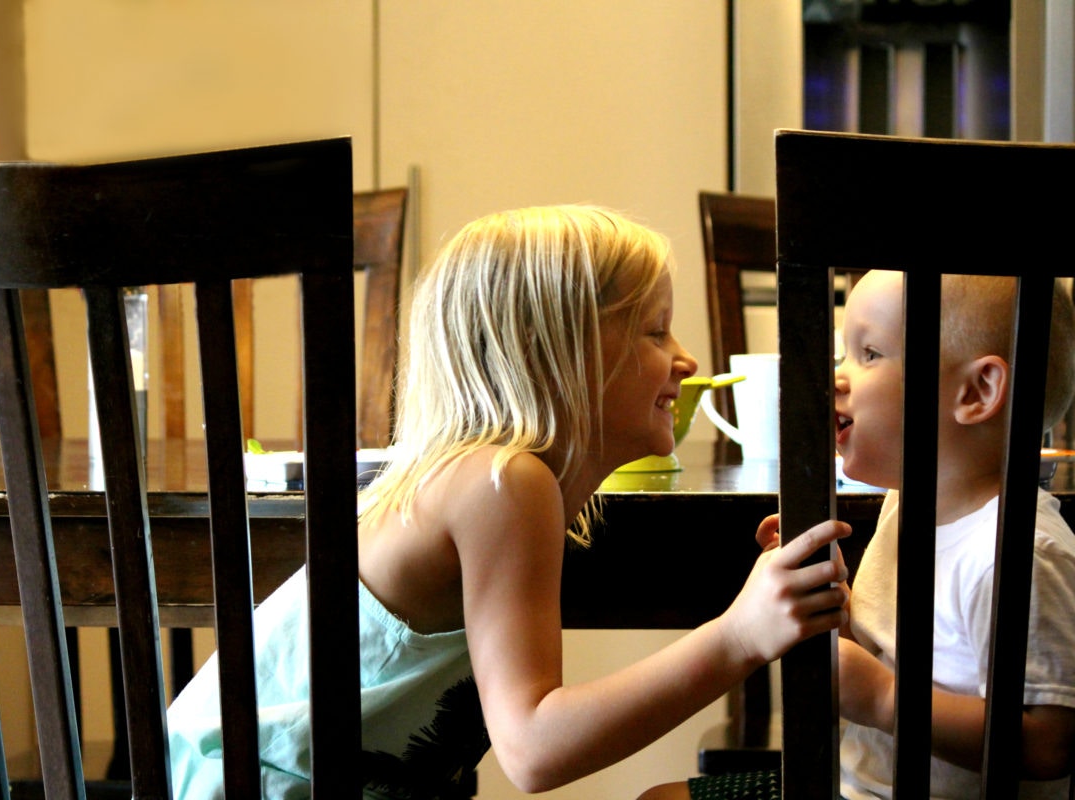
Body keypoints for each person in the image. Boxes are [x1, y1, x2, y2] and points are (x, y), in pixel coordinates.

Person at [165, 205, 850, 799]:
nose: (687, 359)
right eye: (654, 330)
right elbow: (533, 749)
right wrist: (739, 636)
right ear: (553, 351)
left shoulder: (496, 481)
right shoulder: (504, 483)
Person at [642, 269, 1075, 800]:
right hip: (850, 785)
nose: (838, 376)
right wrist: (835, 608)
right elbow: (882, 655)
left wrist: (888, 699)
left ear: (977, 391)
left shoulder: (1021, 553)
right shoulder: (907, 502)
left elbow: (1048, 746)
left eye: (869, 354)